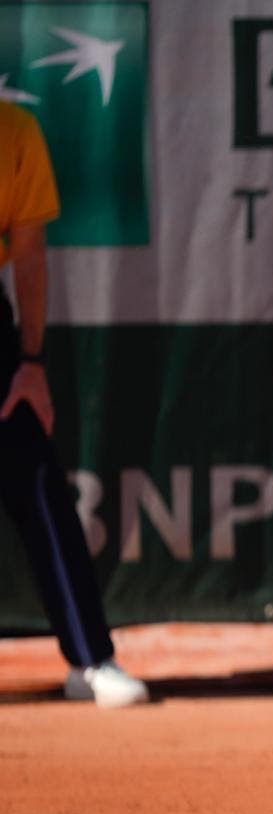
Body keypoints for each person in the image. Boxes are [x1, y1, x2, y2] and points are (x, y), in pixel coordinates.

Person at [0, 100, 149, 709]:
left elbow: (29, 251)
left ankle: (90, 660)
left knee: (36, 480)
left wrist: (30, 363)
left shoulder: (15, 131)